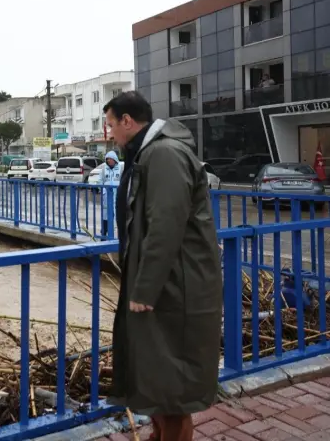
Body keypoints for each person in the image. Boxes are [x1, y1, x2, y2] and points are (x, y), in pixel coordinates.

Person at [102, 91, 221, 441]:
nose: (109, 133)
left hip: (175, 286)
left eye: (111, 124)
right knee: (155, 373)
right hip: (165, 282)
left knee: (172, 382)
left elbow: (166, 224)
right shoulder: (146, 152)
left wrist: (145, 288)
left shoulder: (164, 154)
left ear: (127, 121)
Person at [97, 150, 123, 238]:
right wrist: (102, 190)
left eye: (110, 159)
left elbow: (124, 181)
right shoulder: (104, 169)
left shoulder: (120, 169)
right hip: (106, 198)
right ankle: (104, 235)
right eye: (107, 159)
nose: (108, 161)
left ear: (114, 159)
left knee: (119, 217)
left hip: (117, 196)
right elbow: (100, 181)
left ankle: (120, 237)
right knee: (105, 217)